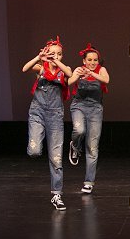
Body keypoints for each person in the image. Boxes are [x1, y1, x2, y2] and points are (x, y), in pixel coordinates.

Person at [21, 36, 72, 210]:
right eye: (52, 53)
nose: (55, 56)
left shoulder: (63, 70)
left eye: (59, 54)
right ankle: (34, 145)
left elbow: (70, 75)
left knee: (56, 158)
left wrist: (56, 62)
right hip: (37, 112)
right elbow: (24, 68)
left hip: (55, 115)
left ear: (62, 55)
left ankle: (57, 194)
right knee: (34, 151)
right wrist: (39, 57)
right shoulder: (41, 68)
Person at [68, 43, 109, 194]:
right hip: (79, 105)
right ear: (84, 61)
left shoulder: (101, 70)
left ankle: (88, 182)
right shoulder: (79, 69)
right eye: (89, 60)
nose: (92, 63)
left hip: (95, 109)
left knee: (92, 147)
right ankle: (75, 146)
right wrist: (77, 75)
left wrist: (92, 73)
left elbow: (106, 80)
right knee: (79, 130)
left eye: (95, 60)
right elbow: (68, 82)